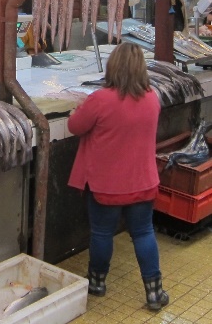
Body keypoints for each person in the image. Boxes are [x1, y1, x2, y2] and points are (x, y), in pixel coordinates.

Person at [67, 42, 168, 311]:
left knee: (102, 234)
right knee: (144, 233)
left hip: (106, 186)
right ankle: (155, 291)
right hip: (143, 182)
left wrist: (77, 110)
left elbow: (75, 126)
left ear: (112, 67)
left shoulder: (100, 100)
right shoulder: (152, 98)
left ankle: (97, 282)